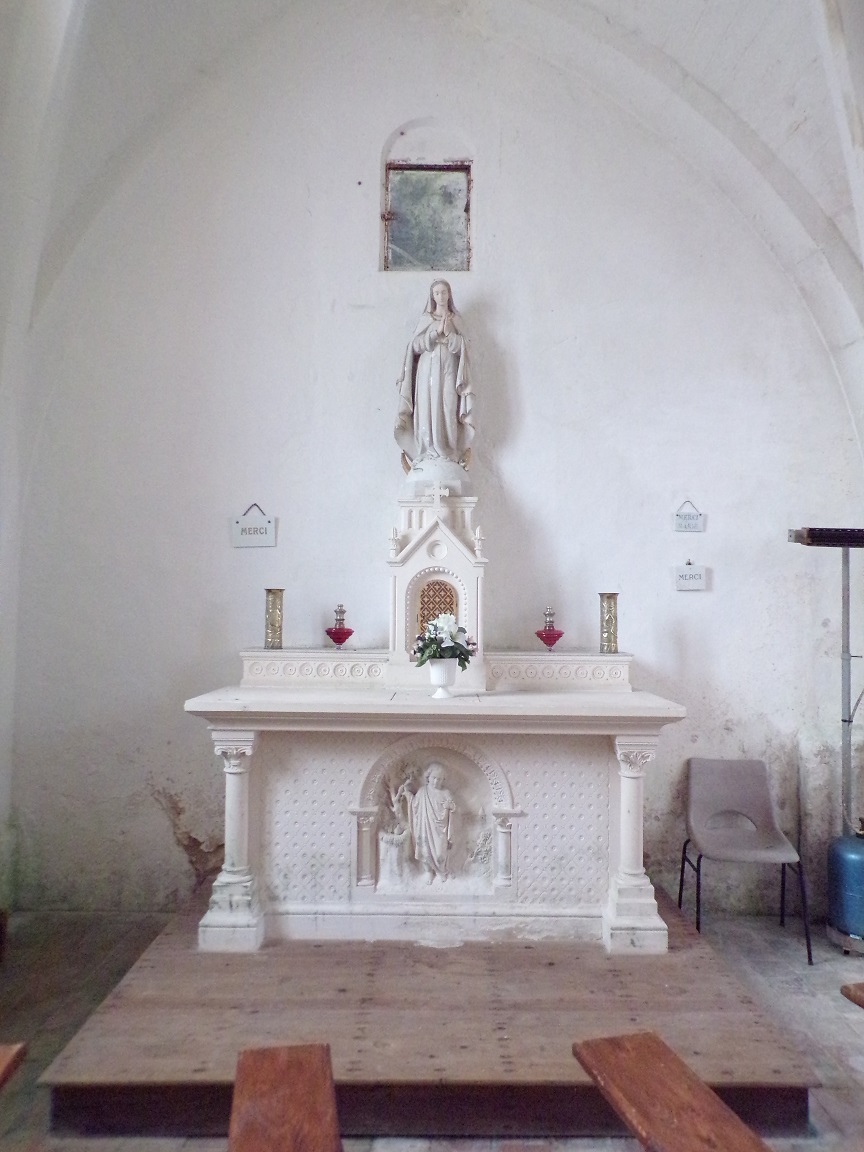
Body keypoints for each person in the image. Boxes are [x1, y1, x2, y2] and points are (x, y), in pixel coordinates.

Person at [394, 280, 474, 467]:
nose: (441, 296)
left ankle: (449, 450)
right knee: (427, 407)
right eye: (437, 293)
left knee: (448, 405)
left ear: (449, 294)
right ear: (432, 296)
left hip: (449, 368)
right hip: (427, 369)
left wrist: (450, 336)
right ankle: (427, 450)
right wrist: (434, 334)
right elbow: (414, 346)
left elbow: (466, 348)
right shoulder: (426, 319)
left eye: (444, 292)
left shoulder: (456, 320)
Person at [401, 762, 457, 883]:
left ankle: (441, 871)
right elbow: (415, 805)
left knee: (440, 852)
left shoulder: (445, 792)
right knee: (425, 850)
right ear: (428, 777)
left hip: (440, 828)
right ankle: (428, 872)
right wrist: (409, 796)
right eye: (434, 778)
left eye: (439, 779)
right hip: (425, 826)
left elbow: (454, 808)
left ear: (443, 779)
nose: (436, 781)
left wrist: (451, 807)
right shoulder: (422, 791)